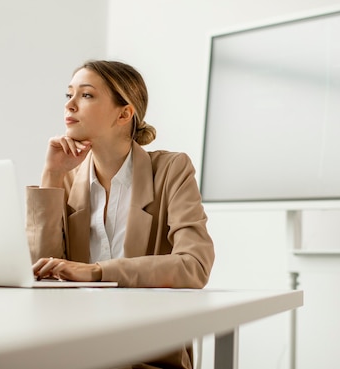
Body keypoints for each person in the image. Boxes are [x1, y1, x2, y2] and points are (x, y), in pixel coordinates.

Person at [26, 59, 215, 369]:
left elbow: (194, 266)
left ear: (124, 113)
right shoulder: (68, 178)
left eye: (86, 95)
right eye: (68, 95)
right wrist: (51, 176)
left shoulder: (171, 170)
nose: (70, 104)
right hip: (75, 351)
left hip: (147, 355)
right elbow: (40, 273)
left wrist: (98, 272)